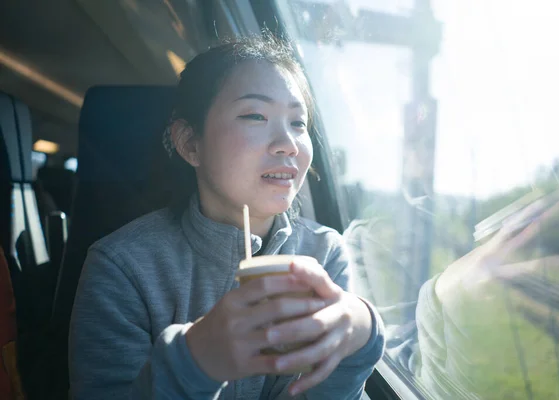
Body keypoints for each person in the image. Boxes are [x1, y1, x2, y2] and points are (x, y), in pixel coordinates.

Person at [68, 33, 385, 400]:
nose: (289, 143)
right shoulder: (122, 267)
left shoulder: (325, 252)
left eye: (298, 123)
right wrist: (196, 361)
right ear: (190, 143)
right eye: (255, 115)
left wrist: (364, 331)